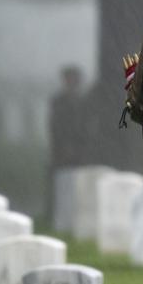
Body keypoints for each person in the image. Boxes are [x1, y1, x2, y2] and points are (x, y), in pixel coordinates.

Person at [48, 65, 89, 223]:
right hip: (60, 150)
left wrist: (79, 147)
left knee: (77, 187)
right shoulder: (58, 102)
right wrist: (63, 147)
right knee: (60, 187)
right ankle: (58, 216)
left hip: (79, 150)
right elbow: (55, 127)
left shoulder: (82, 102)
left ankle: (76, 216)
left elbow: (84, 127)